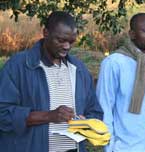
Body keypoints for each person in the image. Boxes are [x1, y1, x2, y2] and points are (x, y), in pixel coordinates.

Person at [0, 11, 103, 152]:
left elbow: (95, 111)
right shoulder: (18, 65)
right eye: (61, 40)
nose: (67, 46)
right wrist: (49, 116)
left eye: (71, 42)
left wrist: (86, 122)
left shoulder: (79, 69)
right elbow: (3, 114)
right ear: (46, 33)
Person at [96, 13, 145, 152]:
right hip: (126, 147)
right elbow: (105, 108)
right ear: (132, 34)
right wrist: (109, 147)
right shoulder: (114, 63)